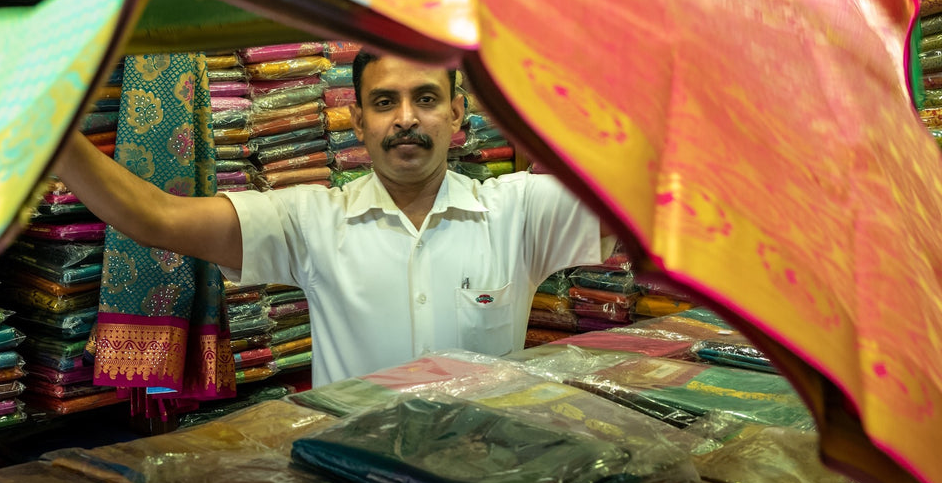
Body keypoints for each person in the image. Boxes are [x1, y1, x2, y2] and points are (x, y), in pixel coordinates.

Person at [53, 50, 607, 387]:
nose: (407, 119)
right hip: (353, 481)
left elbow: (648, 201)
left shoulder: (517, 211)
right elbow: (157, 218)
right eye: (385, 102)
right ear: (357, 120)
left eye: (427, 99)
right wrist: (47, 135)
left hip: (486, 476)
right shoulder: (312, 221)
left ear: (458, 115)